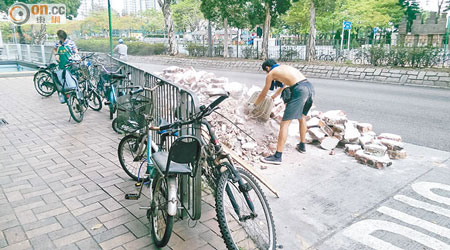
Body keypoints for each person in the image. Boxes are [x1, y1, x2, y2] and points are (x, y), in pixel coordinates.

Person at [255, 59, 315, 165]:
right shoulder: (284, 68)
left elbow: (263, 93)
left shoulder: (272, 73)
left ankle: (277, 156)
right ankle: (302, 145)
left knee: (284, 123)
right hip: (309, 87)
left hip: (300, 90)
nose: (267, 73)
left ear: (267, 68)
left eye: (266, 71)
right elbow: (284, 85)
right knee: (302, 117)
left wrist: (254, 105)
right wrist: (273, 97)